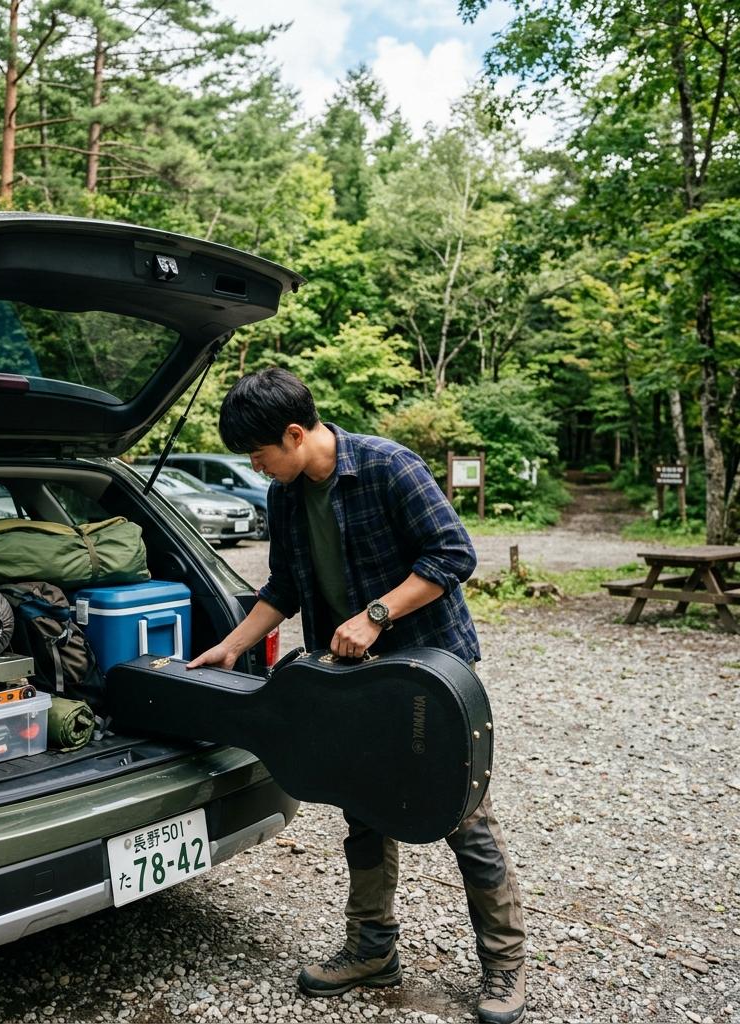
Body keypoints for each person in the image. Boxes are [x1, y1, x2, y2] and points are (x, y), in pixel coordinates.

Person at [186, 368, 527, 1024]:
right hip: (350, 680)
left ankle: (505, 966)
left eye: (260, 456)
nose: (257, 470)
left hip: (427, 671)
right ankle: (373, 950)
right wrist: (232, 646)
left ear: (294, 433)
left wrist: (376, 613)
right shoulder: (286, 496)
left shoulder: (389, 467)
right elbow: (283, 587)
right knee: (364, 807)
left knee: (463, 815)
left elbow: (453, 555)